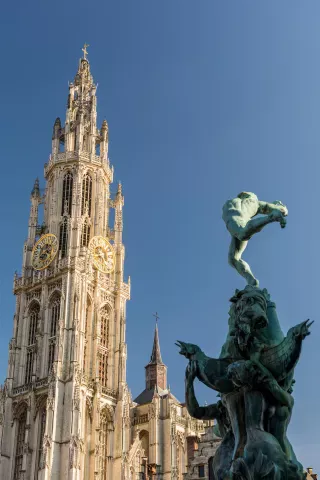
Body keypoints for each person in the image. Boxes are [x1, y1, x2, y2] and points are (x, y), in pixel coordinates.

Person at [222, 192, 288, 287]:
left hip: (235, 216)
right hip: (240, 219)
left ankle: (270, 218)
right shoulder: (254, 203)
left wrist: (280, 209)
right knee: (233, 258)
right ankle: (252, 281)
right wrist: (280, 208)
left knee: (242, 233)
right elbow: (276, 209)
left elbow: (280, 210)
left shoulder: (252, 202)